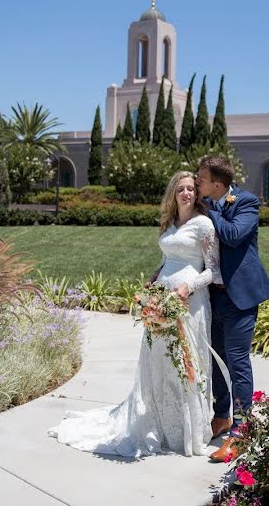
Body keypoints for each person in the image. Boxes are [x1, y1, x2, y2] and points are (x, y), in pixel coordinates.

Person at [48, 171, 222, 457]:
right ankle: (159, 422)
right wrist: (154, 280)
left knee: (186, 362)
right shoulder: (169, 223)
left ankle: (185, 430)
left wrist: (186, 288)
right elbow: (168, 258)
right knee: (159, 361)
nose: (187, 193)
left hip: (190, 303)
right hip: (160, 301)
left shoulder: (204, 225)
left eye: (191, 189)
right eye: (181, 189)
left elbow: (212, 271)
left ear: (197, 193)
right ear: (173, 193)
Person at [195, 156, 269, 463]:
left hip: (240, 296)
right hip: (212, 296)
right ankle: (222, 415)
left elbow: (231, 235)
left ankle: (241, 430)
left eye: (201, 179)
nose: (197, 183)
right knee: (216, 360)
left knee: (237, 361)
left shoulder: (246, 202)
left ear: (216, 184)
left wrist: (210, 210)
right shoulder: (206, 204)